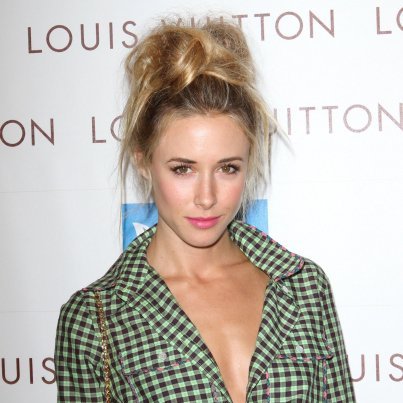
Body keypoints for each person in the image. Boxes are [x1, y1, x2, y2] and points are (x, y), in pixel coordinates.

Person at [54, 17, 356, 402]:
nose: (207, 197)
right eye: (183, 169)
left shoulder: (304, 287)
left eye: (228, 168)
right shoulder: (95, 320)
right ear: (143, 162)